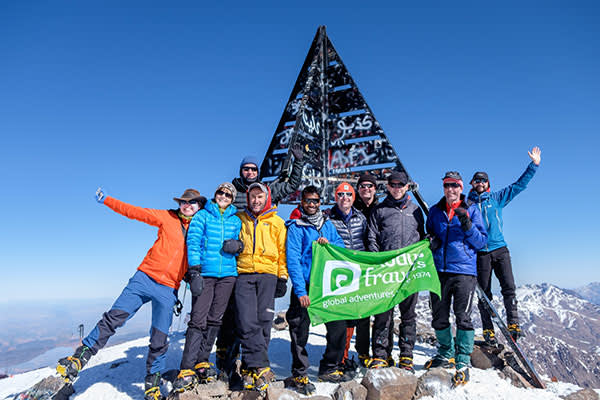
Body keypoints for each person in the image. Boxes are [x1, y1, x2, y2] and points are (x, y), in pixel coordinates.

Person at [57, 188, 207, 400]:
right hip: (144, 278)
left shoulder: (200, 230)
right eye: (184, 202)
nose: (187, 205)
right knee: (114, 318)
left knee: (160, 338)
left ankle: (152, 384)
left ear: (199, 206)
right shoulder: (167, 217)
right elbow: (134, 211)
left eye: (192, 203)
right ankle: (80, 357)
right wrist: (107, 200)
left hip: (168, 289)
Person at [217, 144, 305, 378]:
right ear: (241, 171)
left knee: (261, 319)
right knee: (236, 319)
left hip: (264, 271)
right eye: (245, 169)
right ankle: (227, 360)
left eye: (253, 169)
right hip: (238, 266)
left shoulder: (268, 193)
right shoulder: (231, 193)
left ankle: (252, 365)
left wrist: (298, 163)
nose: (249, 172)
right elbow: (220, 220)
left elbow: (291, 185)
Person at [173, 183, 242, 392]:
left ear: (232, 199)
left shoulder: (236, 220)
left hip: (228, 275)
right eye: (221, 192)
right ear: (215, 195)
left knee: (215, 320)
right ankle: (187, 367)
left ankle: (202, 361)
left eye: (228, 194)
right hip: (206, 274)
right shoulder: (202, 216)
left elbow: (241, 243)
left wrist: (239, 247)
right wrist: (194, 271)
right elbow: (192, 242)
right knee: (198, 320)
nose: (223, 196)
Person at [469, 147, 541, 345]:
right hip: (481, 253)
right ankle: (488, 330)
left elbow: (519, 186)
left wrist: (533, 166)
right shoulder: (467, 205)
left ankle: (513, 323)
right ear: (472, 184)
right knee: (484, 293)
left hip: (500, 249)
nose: (480, 183)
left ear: (488, 184)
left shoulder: (497, 199)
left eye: (483, 180)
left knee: (508, 287)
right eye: (477, 180)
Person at [425, 172, 487, 387]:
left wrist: (467, 223)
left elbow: (480, 242)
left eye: (454, 186)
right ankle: (445, 353)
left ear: (461, 188)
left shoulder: (471, 209)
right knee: (439, 315)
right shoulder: (435, 211)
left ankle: (462, 360)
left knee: (463, 317)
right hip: (439, 271)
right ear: (443, 188)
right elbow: (431, 233)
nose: (450, 189)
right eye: (447, 185)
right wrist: (431, 241)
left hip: (464, 271)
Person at [286, 185, 348, 394]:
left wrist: (329, 244)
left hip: (327, 285)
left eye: (316, 201)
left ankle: (329, 366)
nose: (312, 204)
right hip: (306, 285)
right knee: (300, 329)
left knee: (338, 325)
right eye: (308, 201)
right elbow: (292, 259)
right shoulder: (296, 226)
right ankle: (300, 372)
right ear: (301, 203)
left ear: (320, 202)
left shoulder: (327, 224)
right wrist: (300, 291)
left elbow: (341, 248)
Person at [366, 171, 425, 371]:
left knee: (408, 314)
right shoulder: (380, 210)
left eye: (401, 184)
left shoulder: (416, 211)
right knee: (383, 314)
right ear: (388, 186)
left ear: (407, 186)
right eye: (393, 184)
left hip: (409, 271)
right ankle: (381, 355)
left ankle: (406, 356)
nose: (396, 188)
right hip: (387, 272)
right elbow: (372, 236)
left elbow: (422, 237)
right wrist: (378, 260)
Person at [234, 182, 288, 392]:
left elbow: (282, 252)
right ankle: (262, 367)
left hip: (268, 275)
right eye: (253, 197)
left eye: (260, 197)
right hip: (244, 273)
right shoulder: (240, 220)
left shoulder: (277, 222)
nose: (256, 201)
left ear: (267, 198)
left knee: (264, 321)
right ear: (248, 199)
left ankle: (250, 370)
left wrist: (282, 278)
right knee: (247, 321)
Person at [325, 182, 368, 375]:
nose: (345, 198)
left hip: (358, 273)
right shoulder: (328, 218)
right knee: (338, 318)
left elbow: (368, 240)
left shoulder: (361, 218)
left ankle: (344, 357)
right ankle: (337, 359)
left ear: (353, 197)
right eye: (341, 194)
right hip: (338, 274)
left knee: (352, 318)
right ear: (336, 197)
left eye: (348, 194)